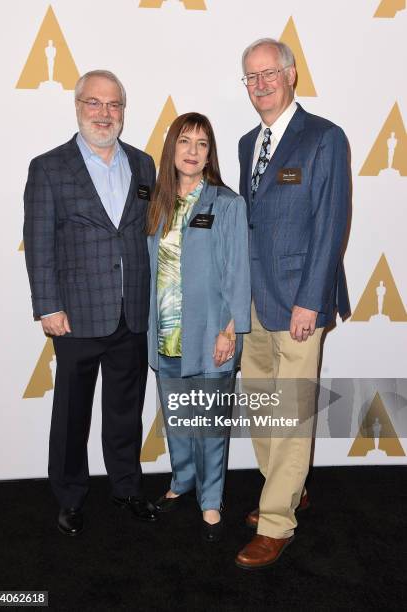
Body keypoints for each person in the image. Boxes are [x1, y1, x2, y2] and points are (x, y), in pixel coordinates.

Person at [23, 70, 158, 536]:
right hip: (75, 316)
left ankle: (126, 488)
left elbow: (144, 237)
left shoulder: (144, 165)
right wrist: (48, 305)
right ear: (78, 106)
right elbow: (38, 242)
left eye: (114, 104)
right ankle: (69, 497)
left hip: (131, 312)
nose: (105, 113)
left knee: (126, 411)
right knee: (72, 413)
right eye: (95, 103)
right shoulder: (49, 167)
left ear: (124, 109)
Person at [235, 39, 350, 568]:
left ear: (291, 74)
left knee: (292, 413)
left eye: (269, 73)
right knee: (262, 406)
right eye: (251, 76)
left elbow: (330, 225)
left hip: (299, 302)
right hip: (254, 303)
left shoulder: (324, 138)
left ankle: (278, 520)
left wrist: (312, 301)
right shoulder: (243, 143)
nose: (260, 84)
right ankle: (287, 485)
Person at [147, 112, 250, 542]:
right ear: (171, 148)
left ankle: (211, 499)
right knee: (178, 419)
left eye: (202, 144)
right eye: (185, 142)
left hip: (211, 334)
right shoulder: (157, 203)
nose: (192, 152)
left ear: (210, 153)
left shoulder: (227, 203)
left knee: (209, 424)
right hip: (167, 333)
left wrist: (230, 330)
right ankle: (182, 480)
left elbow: (238, 273)